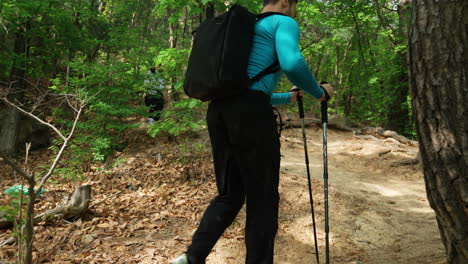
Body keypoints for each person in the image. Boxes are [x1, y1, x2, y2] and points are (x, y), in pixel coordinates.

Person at [171, 0, 333, 263]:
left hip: (219, 112)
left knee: (230, 195)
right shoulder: (284, 22)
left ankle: (191, 257)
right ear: (284, 2)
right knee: (263, 199)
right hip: (251, 116)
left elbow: (248, 90)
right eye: (294, 6)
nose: (295, 12)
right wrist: (319, 93)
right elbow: (292, 64)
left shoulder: (245, 31)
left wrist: (286, 98)